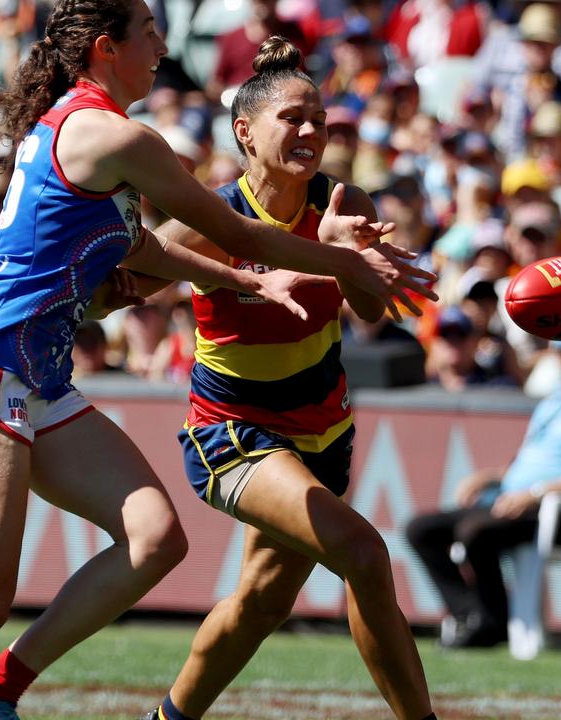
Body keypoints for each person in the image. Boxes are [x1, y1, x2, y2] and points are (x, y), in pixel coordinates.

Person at [0, 2, 433, 717]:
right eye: (149, 35)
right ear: (105, 48)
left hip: (38, 372)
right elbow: (233, 230)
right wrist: (338, 261)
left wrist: (247, 278)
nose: (161, 47)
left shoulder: (87, 127)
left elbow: (142, 249)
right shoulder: (115, 134)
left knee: (157, 540)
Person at [137, 37, 437, 720]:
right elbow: (135, 276)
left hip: (322, 434)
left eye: (318, 121)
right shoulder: (212, 218)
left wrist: (359, 261)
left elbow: (367, 312)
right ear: (244, 132)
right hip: (232, 434)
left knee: (259, 606)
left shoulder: (341, 198)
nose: (309, 132)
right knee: (364, 552)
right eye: (291, 119)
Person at [405, 338, 561, 648]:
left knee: (474, 531)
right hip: (511, 500)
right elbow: (527, 459)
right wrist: (489, 477)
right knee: (421, 529)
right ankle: (473, 615)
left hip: (555, 510)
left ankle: (492, 621)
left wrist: (535, 494)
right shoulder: (554, 402)